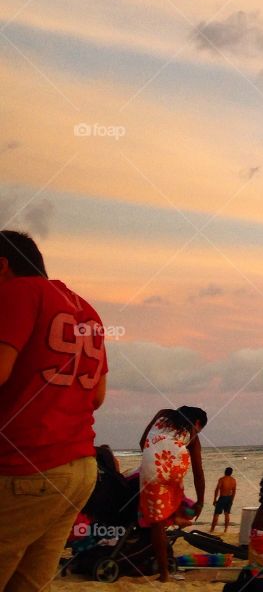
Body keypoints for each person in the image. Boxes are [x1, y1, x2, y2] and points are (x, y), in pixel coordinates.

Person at [0, 230, 108, 592]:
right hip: (79, 468)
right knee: (29, 582)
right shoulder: (85, 308)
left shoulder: (16, 293)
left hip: (27, 465)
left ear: (2, 266)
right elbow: (96, 397)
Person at [138, 406, 208, 581]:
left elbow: (142, 442)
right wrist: (200, 501)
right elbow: (198, 472)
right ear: (197, 422)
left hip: (152, 464)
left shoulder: (162, 414)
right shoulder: (192, 433)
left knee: (157, 524)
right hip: (176, 464)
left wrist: (153, 455)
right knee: (175, 486)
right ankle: (177, 514)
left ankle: (164, 575)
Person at [211, 466, 237, 532]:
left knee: (216, 514)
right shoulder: (233, 480)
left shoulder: (222, 479)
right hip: (229, 498)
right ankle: (225, 530)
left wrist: (214, 499)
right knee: (227, 513)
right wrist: (232, 500)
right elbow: (234, 491)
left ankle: (212, 529)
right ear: (231, 473)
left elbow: (217, 489)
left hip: (222, 497)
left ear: (225, 472)